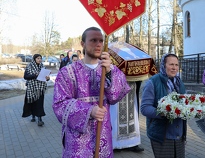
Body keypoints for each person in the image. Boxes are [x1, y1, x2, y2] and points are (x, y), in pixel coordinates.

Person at [52, 26, 131, 158]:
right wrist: (89, 111)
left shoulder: (109, 69)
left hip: (103, 135)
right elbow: (59, 104)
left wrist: (110, 72)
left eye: (101, 41)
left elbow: (116, 96)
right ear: (83, 44)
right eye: (93, 40)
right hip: (77, 140)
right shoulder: (67, 72)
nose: (98, 44)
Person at [141, 53, 187, 158]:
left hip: (179, 133)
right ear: (163, 65)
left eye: (176, 65)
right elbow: (145, 108)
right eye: (171, 64)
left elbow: (185, 104)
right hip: (162, 135)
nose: (174, 68)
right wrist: (163, 113)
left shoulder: (179, 83)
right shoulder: (153, 82)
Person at [22, 54, 50, 126]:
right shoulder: (29, 66)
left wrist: (48, 78)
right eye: (38, 58)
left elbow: (46, 77)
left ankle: (40, 119)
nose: (39, 60)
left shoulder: (43, 67)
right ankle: (33, 116)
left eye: (40, 58)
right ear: (34, 59)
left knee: (39, 104)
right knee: (32, 102)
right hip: (31, 88)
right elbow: (25, 76)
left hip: (40, 88)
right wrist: (35, 75)